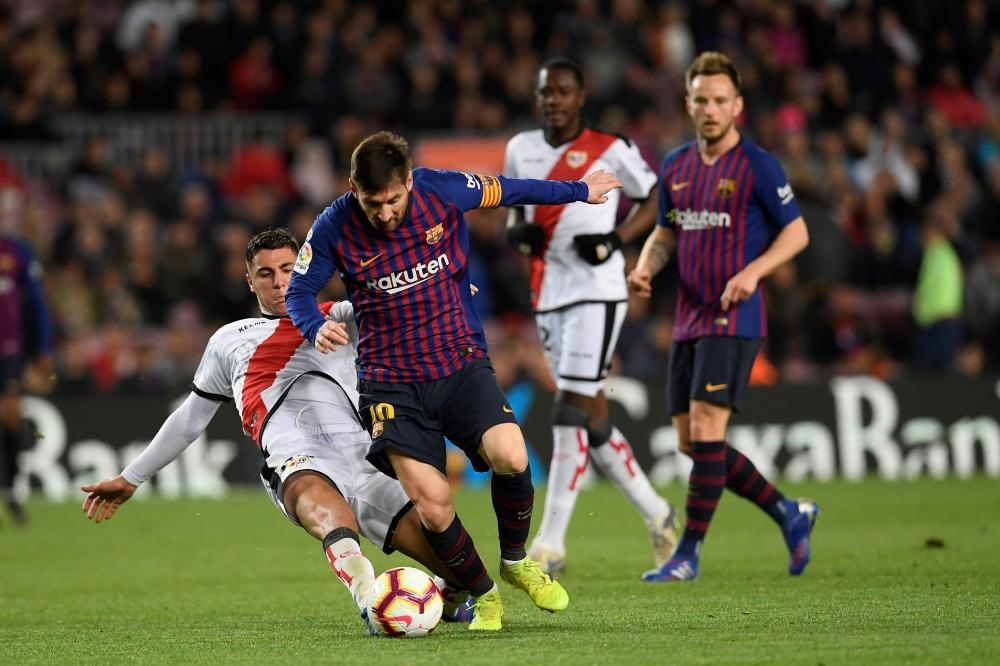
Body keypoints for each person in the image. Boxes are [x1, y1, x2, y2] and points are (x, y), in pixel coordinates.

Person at [285, 131, 623, 631]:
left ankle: (515, 562)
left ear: (408, 182)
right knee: (433, 503)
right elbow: (299, 291)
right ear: (353, 187)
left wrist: (579, 190)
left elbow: (508, 190)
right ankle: (485, 596)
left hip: (458, 362)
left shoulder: (443, 189)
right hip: (391, 385)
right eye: (371, 202)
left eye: (393, 200)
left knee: (511, 455)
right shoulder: (333, 225)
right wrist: (316, 325)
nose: (383, 213)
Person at [81, 228, 471, 634]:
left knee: (463, 573)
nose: (279, 281)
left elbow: (403, 304)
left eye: (287, 268)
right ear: (250, 281)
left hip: (367, 458)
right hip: (295, 457)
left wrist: (446, 293)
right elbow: (191, 417)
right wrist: (132, 477)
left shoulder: (340, 316)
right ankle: (367, 595)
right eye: (265, 273)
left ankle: (434, 596)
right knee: (329, 511)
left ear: (305, 267)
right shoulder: (229, 341)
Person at [626, 51, 818, 582]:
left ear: (738, 106)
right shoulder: (676, 165)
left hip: (735, 316)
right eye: (701, 100)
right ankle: (789, 512)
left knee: (708, 429)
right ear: (688, 104)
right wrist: (646, 265)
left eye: (719, 101)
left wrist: (755, 271)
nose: (710, 109)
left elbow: (797, 232)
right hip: (689, 317)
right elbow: (666, 232)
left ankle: (687, 553)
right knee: (693, 442)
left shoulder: (759, 165)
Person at [502, 57, 679, 577]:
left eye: (562, 91)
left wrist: (617, 239)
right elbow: (514, 213)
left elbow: (656, 199)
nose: (553, 100)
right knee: (592, 415)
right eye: (545, 92)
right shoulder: (520, 149)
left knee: (568, 410)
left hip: (598, 293)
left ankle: (550, 546)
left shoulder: (612, 148)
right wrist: (519, 234)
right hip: (548, 294)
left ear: (581, 97)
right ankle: (660, 514)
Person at [0, 228, 54, 527]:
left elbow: (36, 303)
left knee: (10, 415)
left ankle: (11, 493)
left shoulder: (16, 250)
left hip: (8, 351)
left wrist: (42, 349)